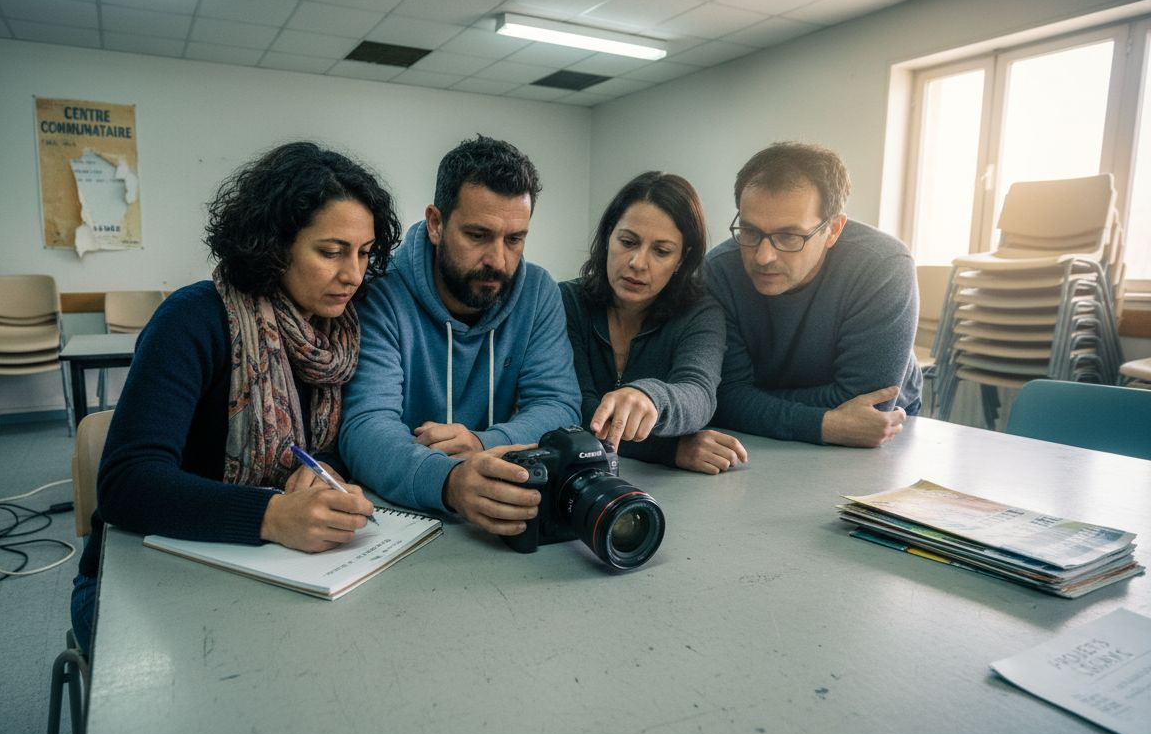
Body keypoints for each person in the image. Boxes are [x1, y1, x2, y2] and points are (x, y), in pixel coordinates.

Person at [70, 142, 402, 654]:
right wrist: (270, 515)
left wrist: (316, 472)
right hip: (140, 572)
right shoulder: (192, 320)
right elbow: (126, 483)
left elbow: (319, 442)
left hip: (267, 568)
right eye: (331, 252)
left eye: (363, 253)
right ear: (275, 246)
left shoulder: (338, 336)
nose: (353, 275)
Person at [338, 135, 581, 536]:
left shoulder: (538, 291)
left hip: (500, 511)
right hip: (402, 522)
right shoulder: (379, 293)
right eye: (477, 235)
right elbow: (364, 427)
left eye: (514, 239)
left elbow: (559, 407)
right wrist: (451, 481)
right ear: (436, 224)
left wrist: (483, 445)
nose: (498, 260)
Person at [706, 141, 921, 448]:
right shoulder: (718, 272)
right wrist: (822, 424)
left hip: (884, 433)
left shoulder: (883, 266)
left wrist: (752, 400)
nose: (763, 256)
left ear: (833, 229)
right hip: (761, 442)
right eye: (750, 231)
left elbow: (869, 407)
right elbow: (723, 397)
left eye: (789, 236)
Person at [560, 171, 747, 474]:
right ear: (608, 237)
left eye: (661, 251)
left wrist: (650, 397)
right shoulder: (567, 302)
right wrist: (671, 450)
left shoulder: (701, 313)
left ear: (682, 261)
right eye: (628, 241)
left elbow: (699, 394)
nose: (637, 263)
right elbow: (576, 413)